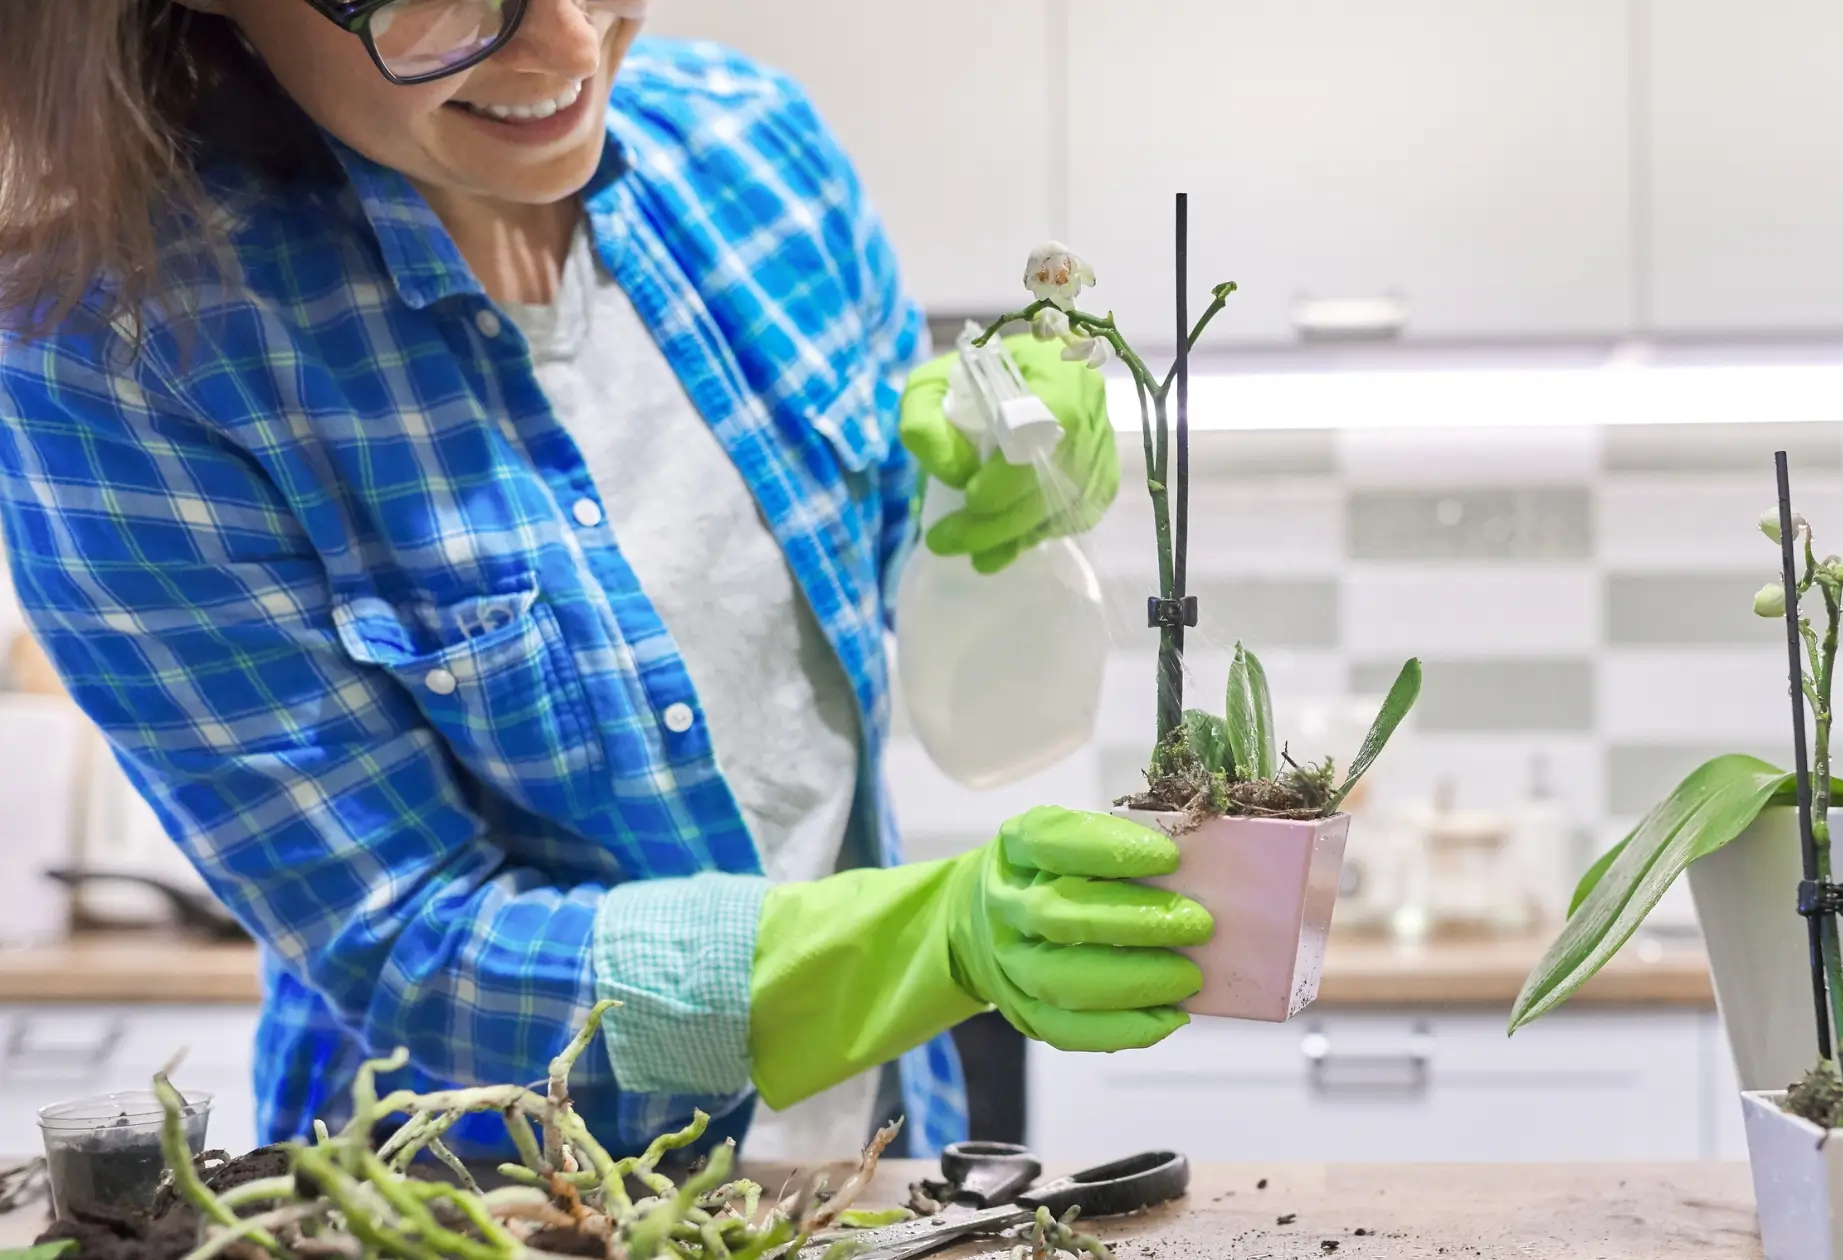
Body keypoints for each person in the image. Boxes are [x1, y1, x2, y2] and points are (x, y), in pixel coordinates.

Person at [0, 0, 1211, 1162]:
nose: (571, 46)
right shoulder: (124, 350)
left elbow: (890, 570)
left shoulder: (754, 150)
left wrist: (989, 486)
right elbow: (411, 945)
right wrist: (915, 946)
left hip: (868, 1157)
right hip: (491, 1202)